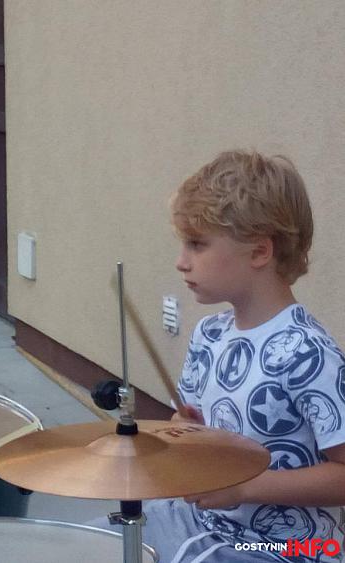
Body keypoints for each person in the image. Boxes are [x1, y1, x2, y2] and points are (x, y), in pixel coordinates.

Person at [96, 150, 345, 562]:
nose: (181, 262)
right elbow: (186, 422)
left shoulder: (309, 355)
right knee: (89, 544)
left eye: (197, 244)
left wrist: (243, 487)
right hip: (205, 522)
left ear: (259, 252)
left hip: (286, 548)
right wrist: (184, 430)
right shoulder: (209, 335)